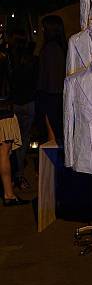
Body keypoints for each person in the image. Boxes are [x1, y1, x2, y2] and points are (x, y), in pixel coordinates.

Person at [0, 37, 28, 205]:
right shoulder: (4, 59)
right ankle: (9, 194)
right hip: (4, 108)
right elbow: (12, 82)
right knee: (4, 153)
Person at [9, 29, 38, 190]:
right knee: (23, 139)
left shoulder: (10, 61)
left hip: (13, 104)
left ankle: (13, 174)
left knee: (10, 141)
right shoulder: (32, 60)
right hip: (28, 102)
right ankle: (18, 173)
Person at [36, 15, 66, 146]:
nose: (42, 31)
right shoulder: (62, 47)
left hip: (51, 96)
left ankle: (54, 165)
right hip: (58, 96)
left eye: (44, 28)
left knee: (52, 135)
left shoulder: (50, 49)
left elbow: (48, 77)